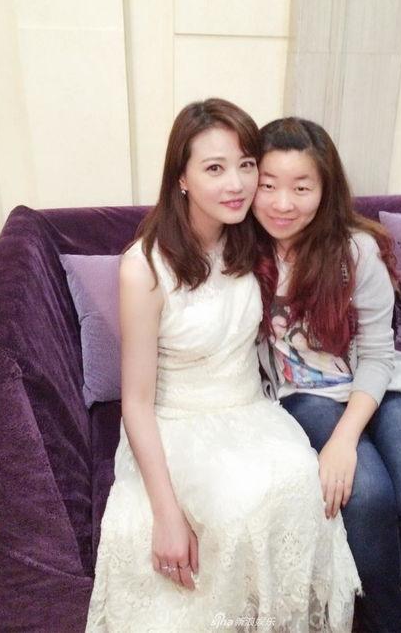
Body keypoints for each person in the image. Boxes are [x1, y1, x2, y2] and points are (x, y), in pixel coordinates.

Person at [86, 100, 361, 632]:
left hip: (250, 408)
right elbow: (136, 402)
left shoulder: (253, 237)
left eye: (246, 164)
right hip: (177, 419)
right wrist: (166, 513)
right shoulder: (144, 267)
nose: (236, 184)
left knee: (300, 481)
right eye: (214, 168)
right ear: (182, 178)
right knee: (234, 505)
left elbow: (324, 228)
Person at [252, 117, 401, 633]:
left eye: (301, 187)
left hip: (381, 384)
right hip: (305, 392)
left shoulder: (355, 251)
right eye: (268, 185)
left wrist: (345, 438)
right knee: (365, 496)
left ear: (325, 189)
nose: (282, 203)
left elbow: (377, 353)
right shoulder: (242, 252)